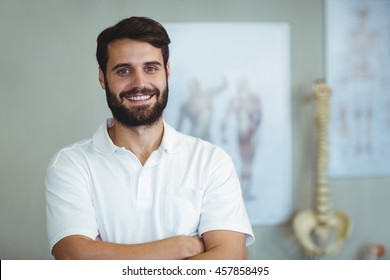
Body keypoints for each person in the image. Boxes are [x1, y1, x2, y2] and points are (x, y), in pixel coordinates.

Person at [45, 16, 254, 260]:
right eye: (124, 70)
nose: (140, 83)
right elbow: (74, 258)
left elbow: (228, 261)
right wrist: (179, 247)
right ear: (103, 78)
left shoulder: (211, 161)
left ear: (166, 72)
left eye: (150, 68)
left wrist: (103, 257)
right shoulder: (70, 164)